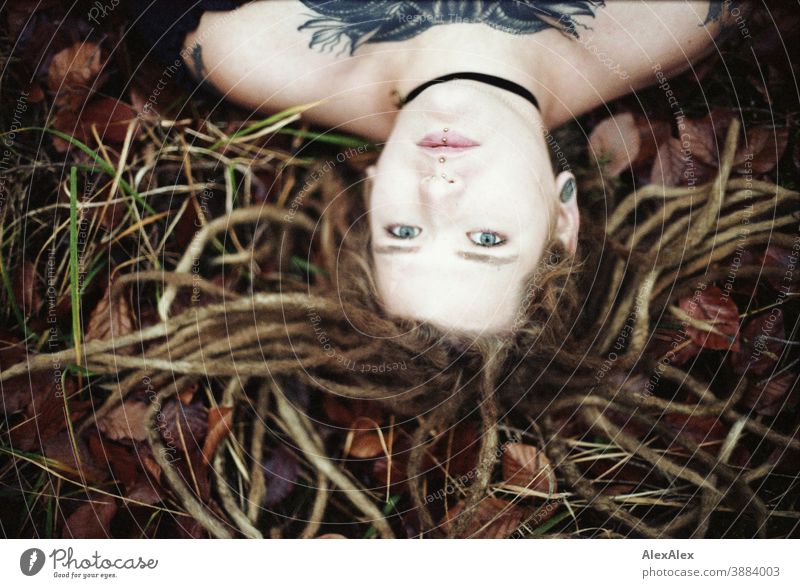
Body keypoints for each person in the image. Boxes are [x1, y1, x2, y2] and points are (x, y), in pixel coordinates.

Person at [129, 0, 746, 335]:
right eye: (485, 238)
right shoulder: (674, 14)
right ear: (564, 216)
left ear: (373, 195)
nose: (440, 192)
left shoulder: (242, 45)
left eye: (403, 233)